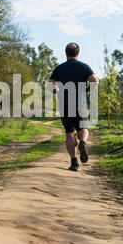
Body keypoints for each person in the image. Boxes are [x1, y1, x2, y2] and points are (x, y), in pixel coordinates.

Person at [48, 43, 99, 172]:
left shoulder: (59, 68)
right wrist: (87, 90)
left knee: (70, 132)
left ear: (66, 53)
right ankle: (83, 142)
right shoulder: (84, 67)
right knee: (83, 128)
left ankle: (74, 162)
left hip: (65, 105)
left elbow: (50, 86)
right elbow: (95, 81)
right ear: (78, 53)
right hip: (81, 103)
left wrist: (57, 92)